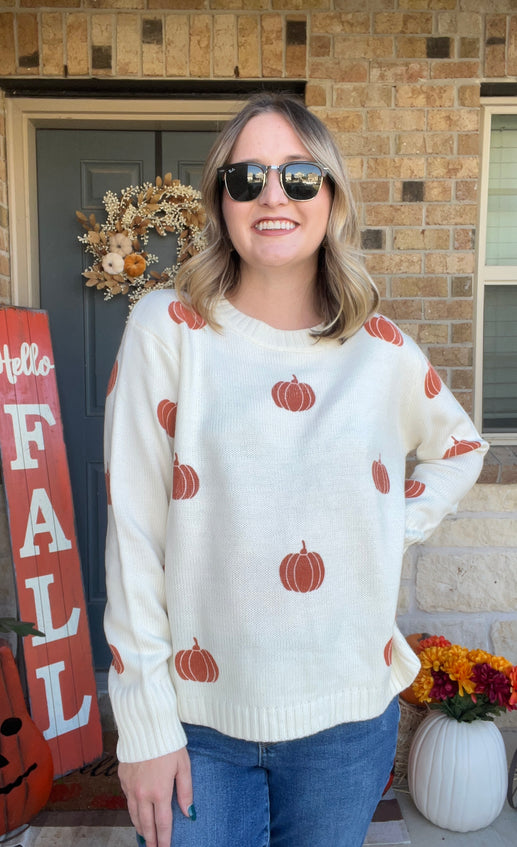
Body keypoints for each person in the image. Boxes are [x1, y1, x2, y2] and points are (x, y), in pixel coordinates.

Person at [104, 92, 488, 847]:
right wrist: (143, 725)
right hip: (199, 721)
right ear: (221, 199)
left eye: (298, 175)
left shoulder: (380, 351)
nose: (272, 194)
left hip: (345, 720)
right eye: (245, 177)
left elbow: (461, 447)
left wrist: (388, 524)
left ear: (331, 196)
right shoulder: (167, 329)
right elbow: (135, 534)